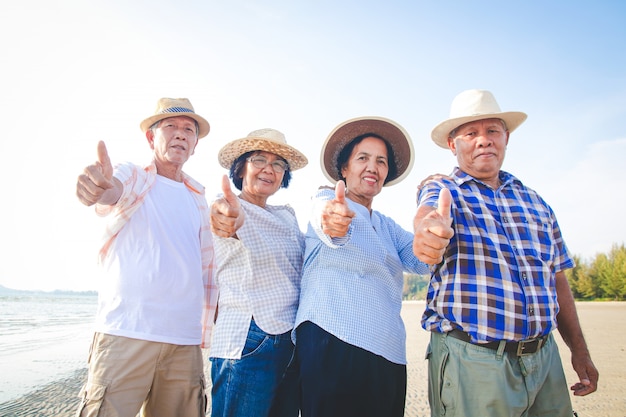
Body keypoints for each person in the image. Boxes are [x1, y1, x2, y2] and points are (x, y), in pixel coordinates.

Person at [412, 89, 599, 417]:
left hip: (545, 359)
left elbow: (557, 279)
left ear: (506, 138)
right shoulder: (443, 190)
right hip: (475, 362)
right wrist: (427, 232)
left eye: (492, 131)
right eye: (471, 133)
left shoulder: (536, 202)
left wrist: (579, 352)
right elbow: (427, 217)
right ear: (453, 145)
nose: (483, 140)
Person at [74, 97, 217, 417]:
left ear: (194, 145)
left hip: (185, 340)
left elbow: (207, 270)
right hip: (126, 333)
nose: (181, 134)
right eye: (171, 127)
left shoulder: (199, 198)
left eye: (189, 130)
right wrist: (98, 186)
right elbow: (111, 190)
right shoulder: (134, 175)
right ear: (152, 137)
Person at [294, 117, 430, 417]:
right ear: (344, 169)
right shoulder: (326, 200)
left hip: (389, 356)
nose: (373, 167)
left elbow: (423, 260)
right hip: (334, 345)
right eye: (363, 158)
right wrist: (334, 220)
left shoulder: (387, 226)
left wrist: (433, 223)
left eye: (381, 161)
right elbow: (327, 222)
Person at [209, 128, 308, 417]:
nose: (269, 168)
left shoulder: (286, 216)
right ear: (240, 168)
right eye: (259, 159)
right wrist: (226, 215)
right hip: (248, 340)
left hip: (290, 342)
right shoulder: (231, 205)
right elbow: (225, 215)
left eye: (278, 164)